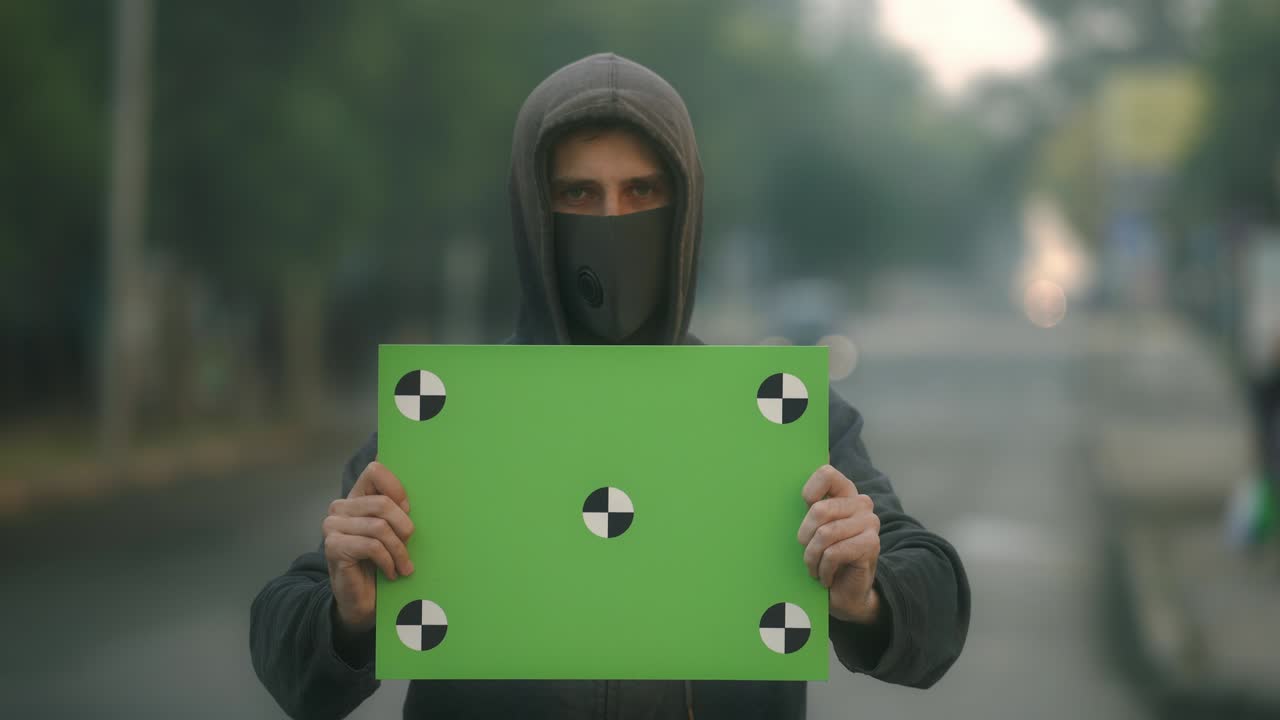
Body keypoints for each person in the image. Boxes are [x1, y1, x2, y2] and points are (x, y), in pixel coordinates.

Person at [250, 52, 970, 719]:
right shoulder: (451, 416)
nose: (613, 219)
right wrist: (346, 615)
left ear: (682, 207)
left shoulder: (775, 415)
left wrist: (870, 594)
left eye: (641, 190)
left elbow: (934, 602)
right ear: (535, 212)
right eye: (579, 193)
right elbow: (291, 649)